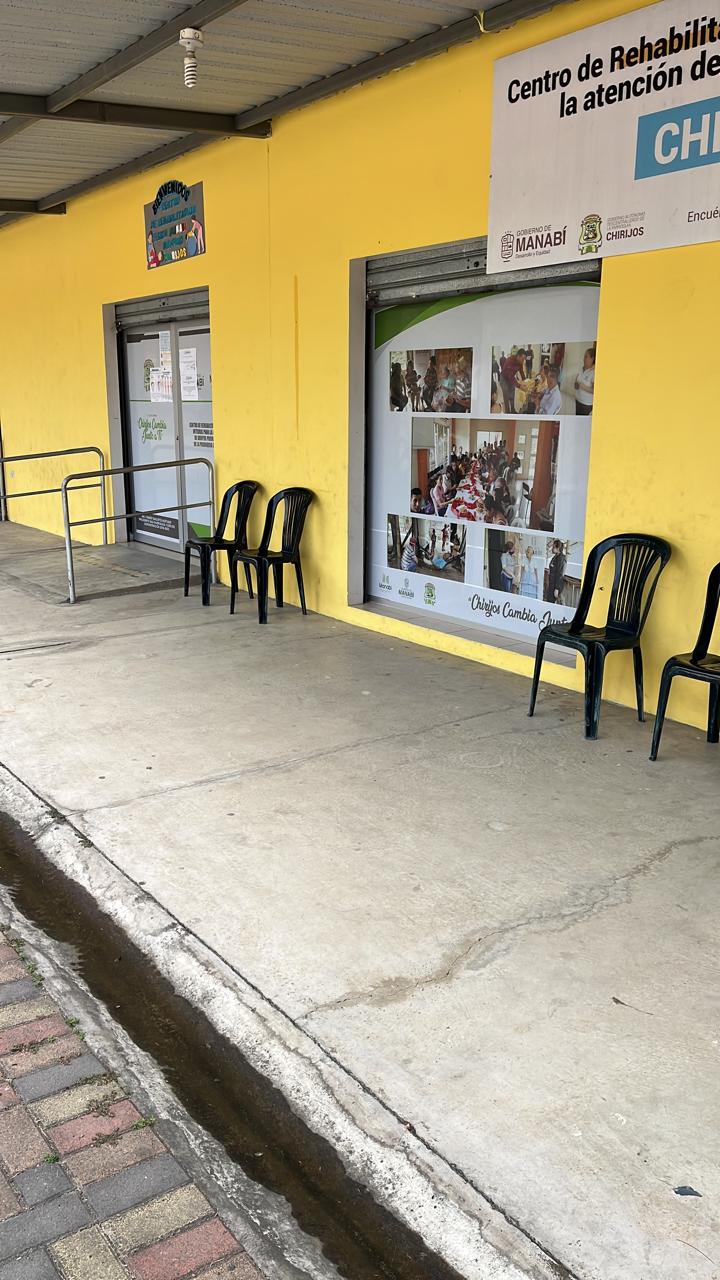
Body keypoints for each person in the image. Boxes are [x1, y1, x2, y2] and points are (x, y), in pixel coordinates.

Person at [499, 348, 525, 413]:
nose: (523, 361)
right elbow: (510, 376)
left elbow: (521, 372)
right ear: (518, 356)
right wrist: (519, 386)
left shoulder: (520, 362)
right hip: (504, 378)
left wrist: (525, 381)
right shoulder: (510, 360)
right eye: (522, 359)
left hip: (511, 377)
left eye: (524, 359)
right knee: (506, 393)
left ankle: (513, 410)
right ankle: (507, 412)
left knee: (512, 394)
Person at [574, 348, 595, 415]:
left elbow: (595, 391)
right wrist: (576, 384)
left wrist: (582, 386)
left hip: (586, 405)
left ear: (592, 359)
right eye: (584, 356)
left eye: (586, 357)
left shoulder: (593, 372)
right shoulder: (581, 368)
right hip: (578, 400)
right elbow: (577, 380)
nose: (583, 359)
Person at [545, 539, 566, 603]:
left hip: (555, 585)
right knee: (549, 599)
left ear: (558, 548)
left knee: (552, 601)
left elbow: (560, 574)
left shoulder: (561, 558)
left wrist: (557, 588)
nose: (552, 549)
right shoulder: (555, 556)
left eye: (553, 547)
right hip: (551, 583)